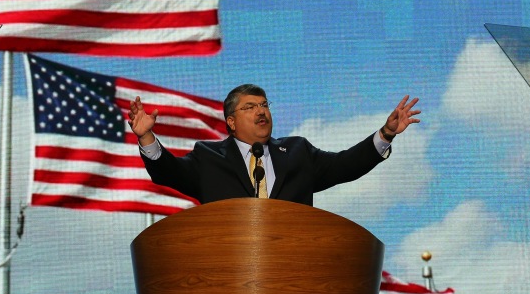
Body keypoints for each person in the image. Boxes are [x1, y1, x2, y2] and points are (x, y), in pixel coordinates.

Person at [128, 84, 420, 206]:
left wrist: (385, 134)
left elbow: (345, 166)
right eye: (250, 107)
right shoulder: (208, 157)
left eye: (265, 105)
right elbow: (169, 172)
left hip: (293, 272)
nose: (261, 112)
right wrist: (146, 138)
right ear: (230, 122)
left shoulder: (298, 152)